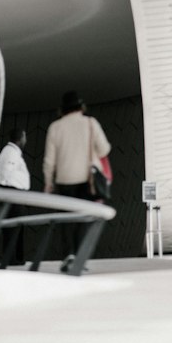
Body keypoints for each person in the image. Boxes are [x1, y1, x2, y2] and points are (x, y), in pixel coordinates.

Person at [43, 93, 111, 263]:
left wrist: (48, 182)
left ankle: (68, 255)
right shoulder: (90, 123)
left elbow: (49, 160)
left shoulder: (55, 127)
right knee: (84, 218)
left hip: (64, 180)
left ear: (62, 109)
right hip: (86, 179)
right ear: (81, 107)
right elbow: (104, 149)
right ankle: (80, 255)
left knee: (66, 219)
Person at [0, 125, 30, 267]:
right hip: (11, 192)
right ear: (20, 138)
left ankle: (16, 258)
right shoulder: (11, 153)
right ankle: (12, 258)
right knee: (13, 226)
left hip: (12, 192)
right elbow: (7, 172)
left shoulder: (11, 151)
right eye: (24, 136)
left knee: (15, 226)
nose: (25, 139)